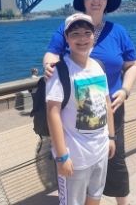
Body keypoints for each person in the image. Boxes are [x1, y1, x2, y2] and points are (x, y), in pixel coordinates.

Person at [43, 0, 136, 205]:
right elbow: (52, 53)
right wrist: (49, 65)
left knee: (115, 162)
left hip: (111, 107)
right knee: (77, 173)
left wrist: (125, 90)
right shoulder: (67, 27)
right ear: (84, 0)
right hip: (76, 113)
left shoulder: (118, 31)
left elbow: (133, 64)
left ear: (107, 1)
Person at [46, 12, 116, 205]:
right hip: (75, 157)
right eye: (75, 34)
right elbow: (52, 113)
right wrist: (62, 156)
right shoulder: (59, 71)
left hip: (100, 150)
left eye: (87, 33)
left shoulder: (98, 66)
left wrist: (111, 137)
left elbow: (106, 103)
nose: (82, 38)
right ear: (67, 39)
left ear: (94, 36)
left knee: (95, 195)